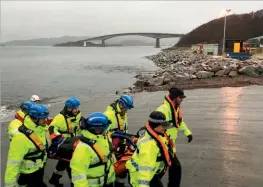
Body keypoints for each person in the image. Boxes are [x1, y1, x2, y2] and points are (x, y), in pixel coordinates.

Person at [4, 104, 50, 187]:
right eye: (43, 118)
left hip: (39, 167)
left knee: (25, 182)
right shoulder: (21, 137)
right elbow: (12, 164)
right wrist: (10, 185)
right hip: (30, 171)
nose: (46, 121)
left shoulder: (42, 128)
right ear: (34, 118)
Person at [126, 111, 175, 187]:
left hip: (153, 174)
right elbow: (144, 170)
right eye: (163, 126)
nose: (165, 129)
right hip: (140, 178)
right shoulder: (149, 145)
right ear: (156, 126)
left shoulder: (153, 132)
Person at [156, 87, 193, 187]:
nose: (182, 99)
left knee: (171, 168)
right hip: (161, 146)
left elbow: (179, 123)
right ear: (175, 97)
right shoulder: (163, 110)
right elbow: (155, 128)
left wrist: (188, 133)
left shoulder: (175, 108)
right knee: (168, 168)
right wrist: (162, 144)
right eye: (180, 97)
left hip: (169, 145)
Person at [70, 112, 115, 187]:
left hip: (106, 181)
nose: (106, 130)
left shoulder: (103, 138)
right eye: (105, 128)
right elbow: (78, 174)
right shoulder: (83, 148)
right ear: (97, 129)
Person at [48, 96, 82, 187]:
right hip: (64, 145)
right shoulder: (60, 118)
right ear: (69, 108)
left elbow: (80, 128)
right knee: (71, 165)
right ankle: (73, 182)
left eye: (77, 107)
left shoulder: (78, 116)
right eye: (75, 108)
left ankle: (54, 179)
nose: (77, 110)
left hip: (74, 144)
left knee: (63, 163)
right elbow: (51, 129)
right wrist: (61, 139)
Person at [103, 94, 134, 187]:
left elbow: (125, 129)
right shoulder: (108, 115)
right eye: (126, 108)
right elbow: (102, 134)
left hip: (121, 146)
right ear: (120, 104)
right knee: (110, 171)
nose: (126, 110)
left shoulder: (123, 114)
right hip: (111, 148)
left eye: (128, 108)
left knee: (122, 171)